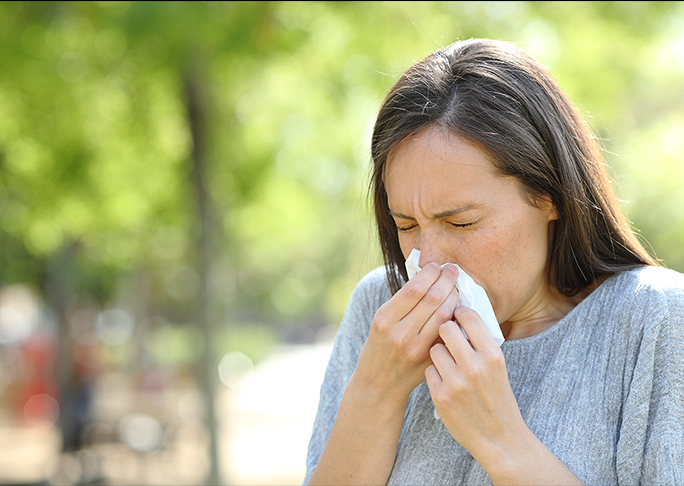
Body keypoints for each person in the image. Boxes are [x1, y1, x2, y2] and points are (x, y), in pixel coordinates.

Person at [303, 38, 684, 485]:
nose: (430, 261)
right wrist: (377, 391)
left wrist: (501, 442)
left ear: (550, 195)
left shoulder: (654, 321)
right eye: (406, 225)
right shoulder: (380, 311)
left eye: (461, 223)